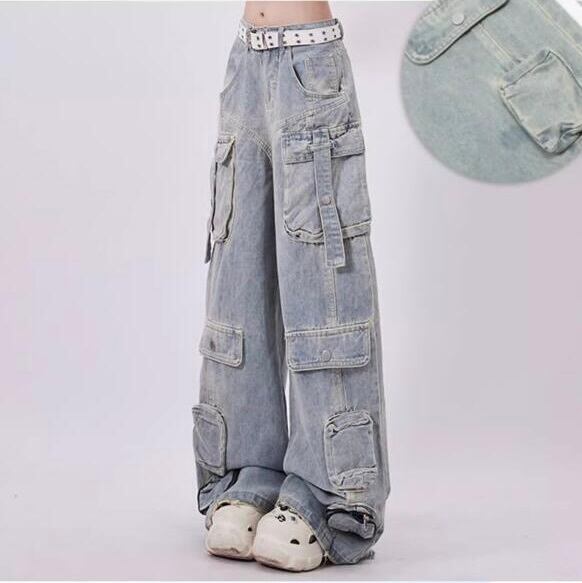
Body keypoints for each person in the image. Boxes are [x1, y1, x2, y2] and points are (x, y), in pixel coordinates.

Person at [193, 1, 390, 571]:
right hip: (245, 62)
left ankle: (331, 495)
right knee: (237, 275)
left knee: (322, 284)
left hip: (311, 62)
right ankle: (249, 475)